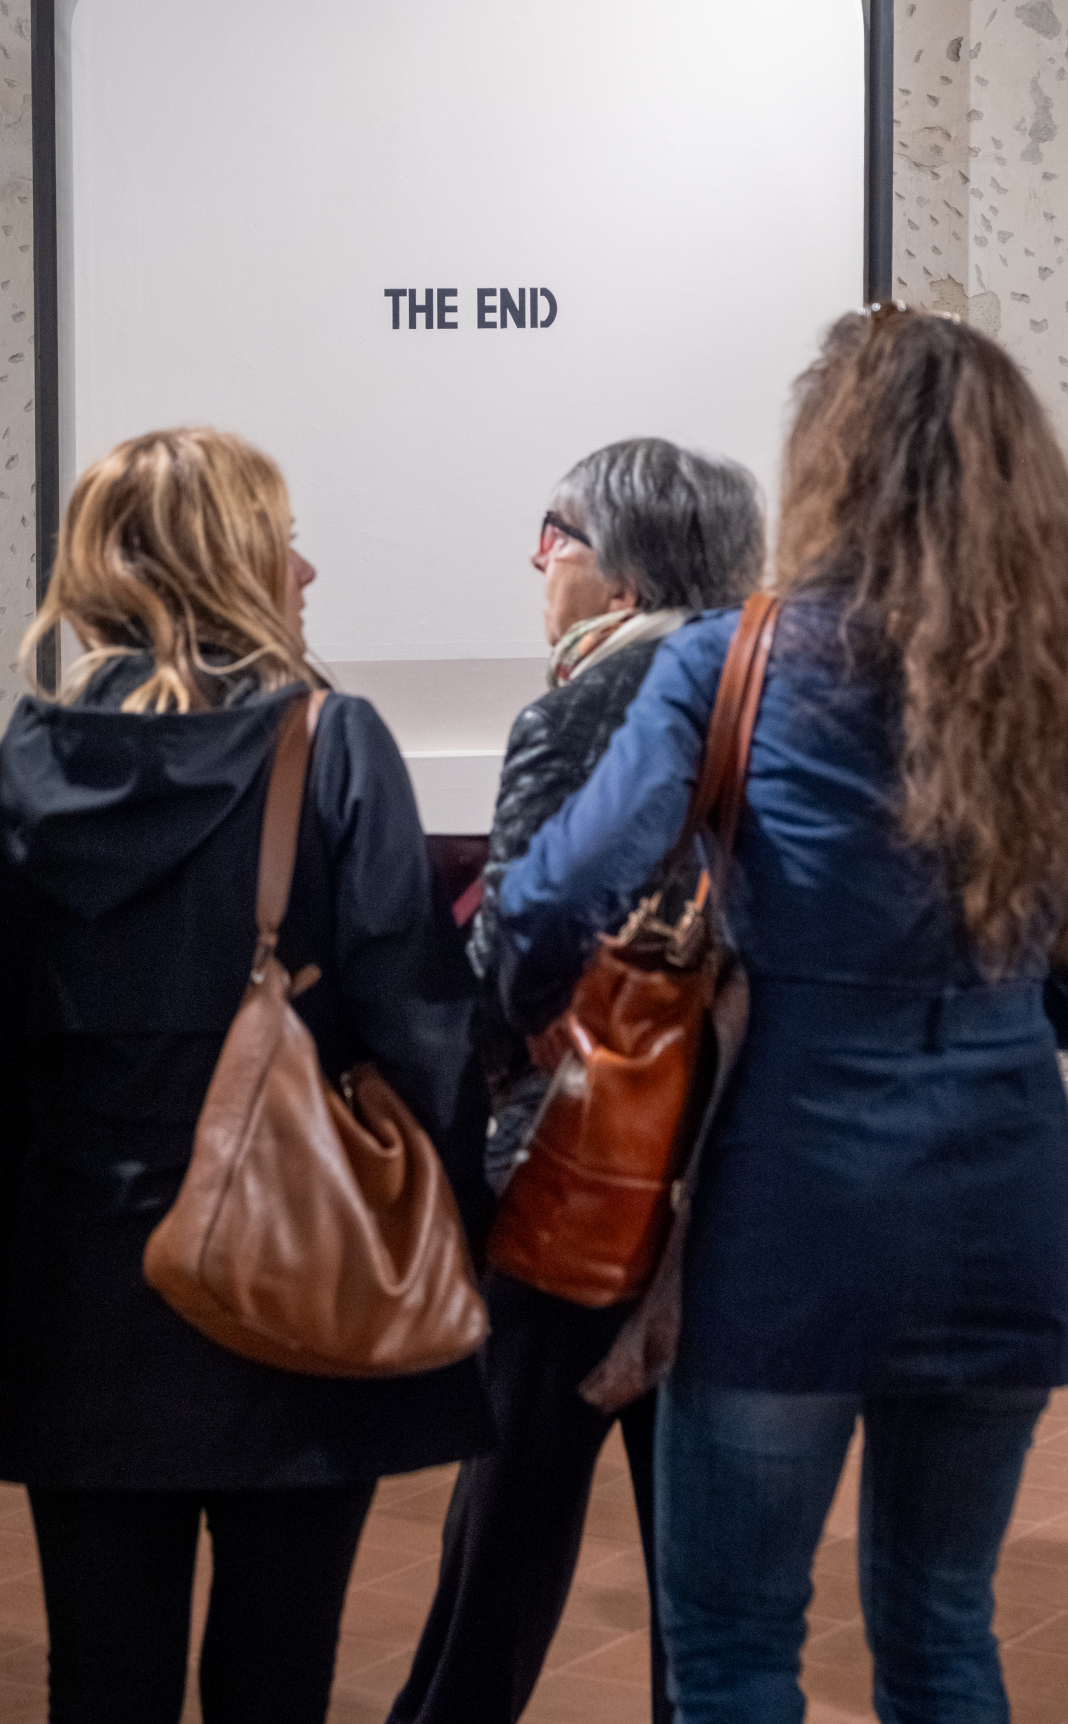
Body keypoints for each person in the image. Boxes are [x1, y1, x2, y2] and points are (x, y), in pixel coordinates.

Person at [496, 309, 1068, 1724]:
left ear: (830, 469)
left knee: (733, 1646)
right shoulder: (1057, 699)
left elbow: (552, 898)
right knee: (943, 1632)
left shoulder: (732, 661)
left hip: (788, 1212)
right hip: (1001, 1209)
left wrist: (547, 1019)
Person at [0, 426, 494, 1724]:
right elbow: (420, 1027)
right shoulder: (331, 739)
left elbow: (1, 1045)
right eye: (282, 540)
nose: (303, 571)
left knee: (101, 1677)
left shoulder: (32, 752)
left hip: (88, 1281)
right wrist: (456, 1226)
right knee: (277, 1672)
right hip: (296, 1265)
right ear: (228, 558)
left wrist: (16, 1269)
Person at [390, 438, 763, 1724]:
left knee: (506, 1529)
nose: (537, 561)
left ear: (625, 574)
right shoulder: (775, 698)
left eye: (557, 536)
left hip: (586, 1168)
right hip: (734, 1165)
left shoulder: (582, 707)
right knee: (700, 1565)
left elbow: (516, 948)